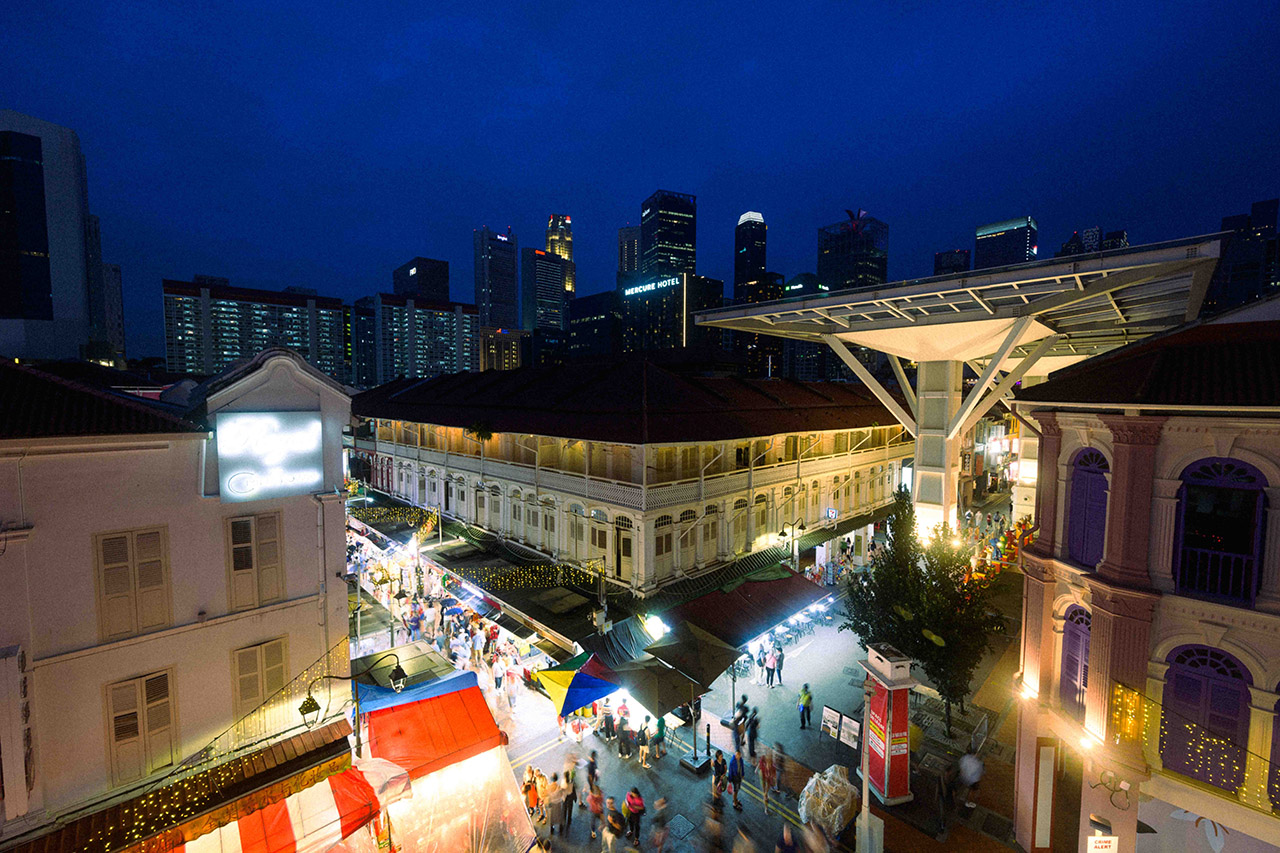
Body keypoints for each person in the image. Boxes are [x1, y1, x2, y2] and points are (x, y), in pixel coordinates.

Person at [757, 749, 778, 814]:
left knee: (766, 791)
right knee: (765, 794)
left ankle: (766, 794)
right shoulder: (763, 758)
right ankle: (766, 809)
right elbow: (759, 764)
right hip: (762, 777)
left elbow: (774, 775)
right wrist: (757, 769)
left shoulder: (772, 765)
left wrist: (775, 781)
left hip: (768, 779)